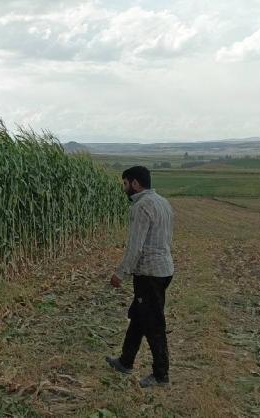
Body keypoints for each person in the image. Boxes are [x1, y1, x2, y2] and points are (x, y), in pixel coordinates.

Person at [106, 166, 175, 388]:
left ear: (135, 183)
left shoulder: (141, 206)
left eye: (125, 184)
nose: (124, 188)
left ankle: (161, 375)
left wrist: (120, 273)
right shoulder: (162, 202)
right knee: (138, 315)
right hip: (164, 269)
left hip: (149, 274)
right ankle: (125, 361)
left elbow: (135, 247)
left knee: (153, 323)